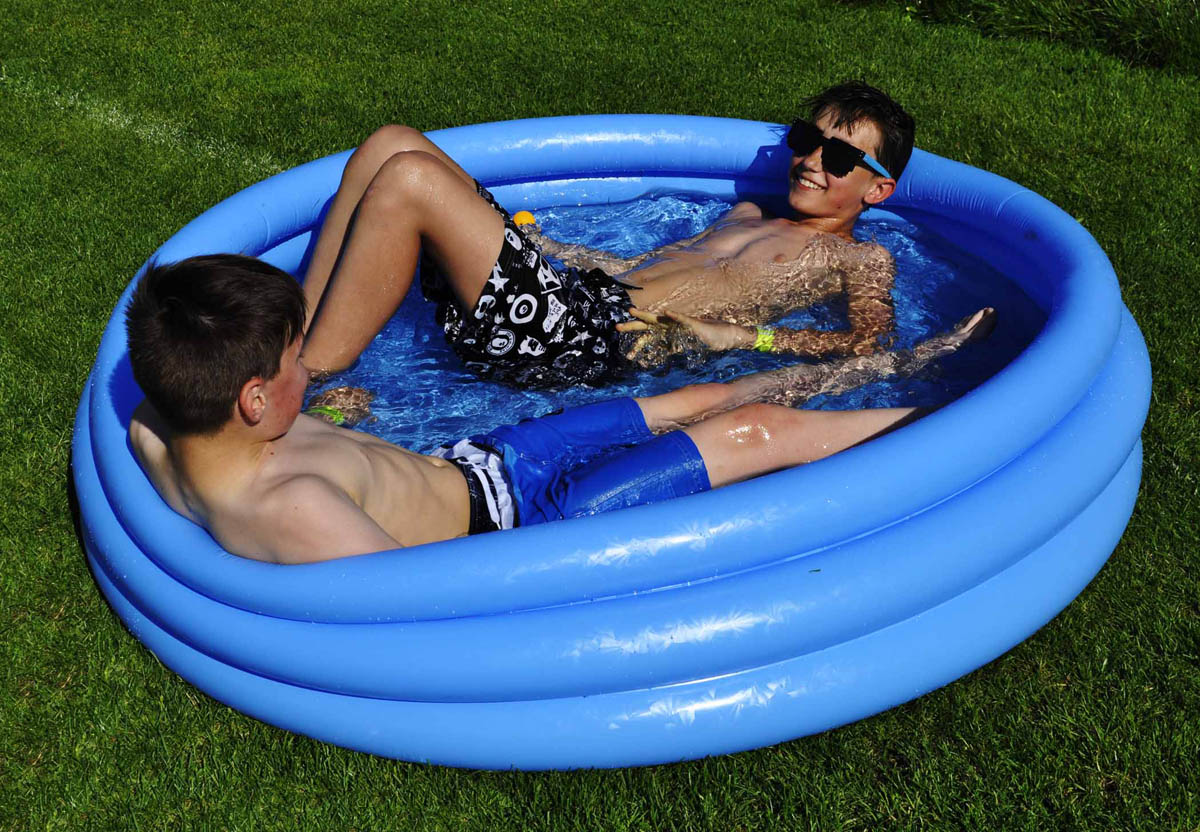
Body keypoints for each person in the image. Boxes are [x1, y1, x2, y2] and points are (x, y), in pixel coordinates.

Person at [125, 254, 992, 564]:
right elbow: (428, 611)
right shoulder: (296, 509)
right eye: (296, 363)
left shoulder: (158, 429)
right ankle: (963, 432)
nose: (307, 371)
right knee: (756, 430)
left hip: (484, 463)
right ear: (252, 398)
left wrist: (334, 417)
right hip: (532, 519)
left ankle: (904, 365)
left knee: (699, 396)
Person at [298, 81, 934, 389]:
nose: (813, 160)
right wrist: (551, 250)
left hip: (591, 343)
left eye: (840, 157)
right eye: (806, 139)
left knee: (409, 176)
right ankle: (293, 335)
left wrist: (746, 337)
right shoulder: (744, 213)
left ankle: (310, 379)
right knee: (391, 143)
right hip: (570, 301)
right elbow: (638, 266)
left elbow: (866, 347)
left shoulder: (861, 257)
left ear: (878, 190)